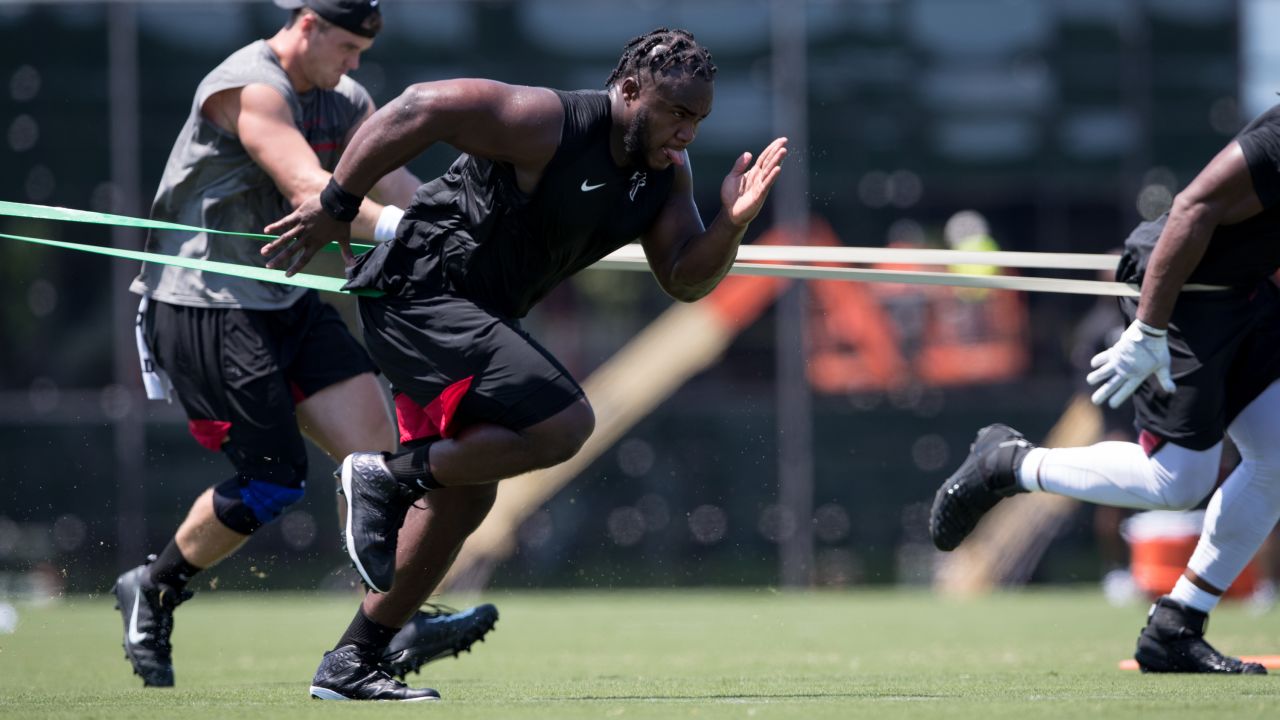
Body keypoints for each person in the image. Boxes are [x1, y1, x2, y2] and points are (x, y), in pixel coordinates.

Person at [262, 27, 787, 700]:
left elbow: (684, 278)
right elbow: (421, 107)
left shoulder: (665, 176)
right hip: (418, 291)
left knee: (468, 494)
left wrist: (731, 225)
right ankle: (385, 478)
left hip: (470, 318)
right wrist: (338, 203)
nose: (687, 131)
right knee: (565, 422)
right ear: (629, 91)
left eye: (699, 119)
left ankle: (351, 662)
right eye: (677, 112)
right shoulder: (550, 123)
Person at [116, 0, 497, 692]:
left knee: (383, 468)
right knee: (272, 481)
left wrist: (467, 243)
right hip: (203, 303)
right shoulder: (248, 87)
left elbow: (397, 186)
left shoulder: (346, 97)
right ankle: (154, 585)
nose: (354, 66)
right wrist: (406, 237)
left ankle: (385, 629)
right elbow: (309, 187)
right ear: (305, 24)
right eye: (346, 47)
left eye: (362, 52)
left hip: (285, 299)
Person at [929, 102, 1280, 674]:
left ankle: (1176, 627)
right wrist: (1148, 329)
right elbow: (1193, 206)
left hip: (1245, 293)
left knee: (1277, 455)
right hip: (1187, 292)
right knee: (1176, 481)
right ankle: (1007, 463)